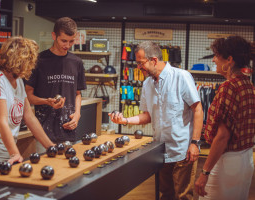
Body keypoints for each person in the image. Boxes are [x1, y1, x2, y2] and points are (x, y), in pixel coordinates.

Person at [109, 41, 203, 200]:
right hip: (160, 150)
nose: (138, 67)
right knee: (165, 195)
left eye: (140, 63)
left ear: (153, 60)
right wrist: (125, 120)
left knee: (184, 196)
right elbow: (147, 116)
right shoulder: (147, 84)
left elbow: (198, 110)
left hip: (183, 150)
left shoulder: (181, 77)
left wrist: (195, 143)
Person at [0, 36, 55, 176]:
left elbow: (29, 117)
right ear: (18, 60)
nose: (31, 66)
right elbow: (1, 121)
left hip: (6, 156)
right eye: (29, 61)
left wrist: (50, 147)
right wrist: (15, 154)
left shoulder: (19, 81)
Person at [195, 36, 255, 200]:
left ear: (229, 60)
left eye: (217, 55)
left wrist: (204, 172)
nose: (214, 59)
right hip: (246, 159)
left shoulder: (228, 87)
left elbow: (223, 136)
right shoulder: (248, 85)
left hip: (227, 162)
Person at [25, 17, 86, 145]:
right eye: (64, 41)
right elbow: (27, 96)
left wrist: (77, 115)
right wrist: (46, 102)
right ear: (54, 36)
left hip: (69, 131)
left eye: (71, 41)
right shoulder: (38, 61)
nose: (67, 45)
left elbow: (78, 94)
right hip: (43, 133)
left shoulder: (77, 62)